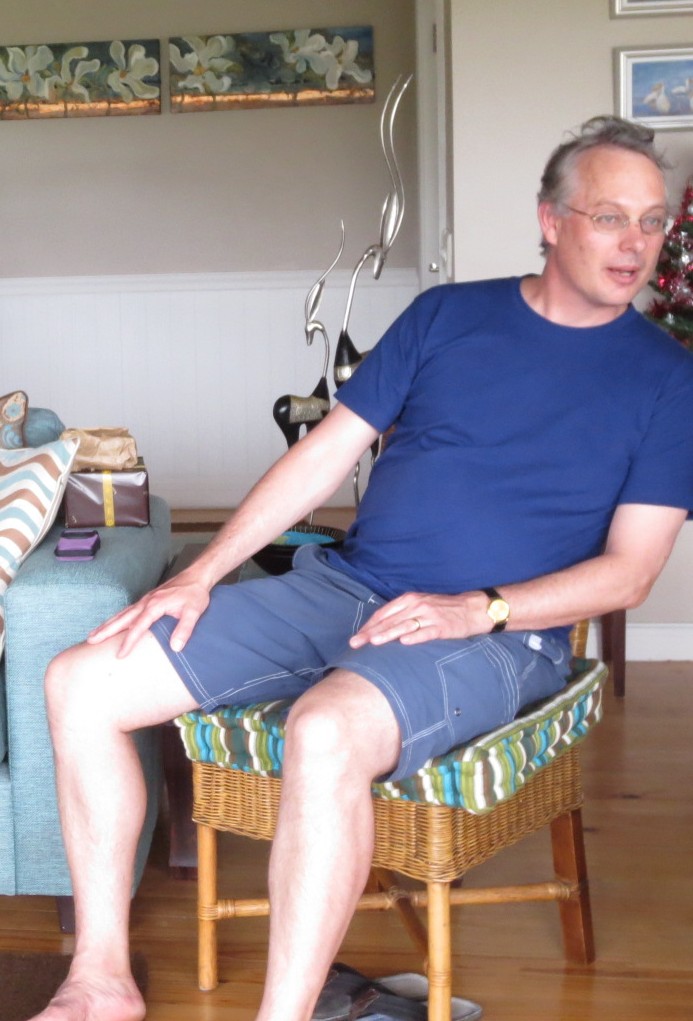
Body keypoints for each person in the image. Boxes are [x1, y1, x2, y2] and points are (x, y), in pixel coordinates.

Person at [31, 114, 693, 1021]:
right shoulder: (446, 316)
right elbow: (322, 457)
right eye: (609, 216)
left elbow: (629, 572)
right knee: (79, 682)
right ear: (549, 219)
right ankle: (101, 978)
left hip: (500, 633)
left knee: (326, 727)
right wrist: (202, 572)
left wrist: (478, 608)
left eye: (651, 221)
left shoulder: (666, 379)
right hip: (344, 587)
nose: (635, 243)